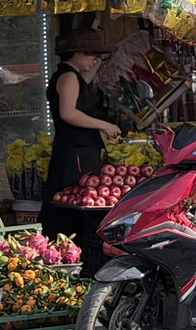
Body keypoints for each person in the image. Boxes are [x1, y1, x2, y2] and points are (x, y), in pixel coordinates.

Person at [42, 28, 119, 239]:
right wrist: (104, 125)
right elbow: (68, 113)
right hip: (74, 153)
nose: (94, 61)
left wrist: (101, 61)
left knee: (76, 202)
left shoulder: (73, 76)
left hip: (79, 150)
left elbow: (85, 81)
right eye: (91, 55)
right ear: (77, 52)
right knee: (70, 205)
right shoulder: (68, 77)